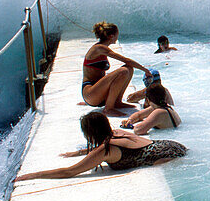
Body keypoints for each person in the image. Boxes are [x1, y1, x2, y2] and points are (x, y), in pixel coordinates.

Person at [15, 112, 186, 181]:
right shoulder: (119, 132)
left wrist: (33, 175)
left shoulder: (105, 150)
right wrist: (79, 152)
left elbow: (69, 172)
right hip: (171, 146)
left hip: (166, 157)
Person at [82, 22, 149, 116]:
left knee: (129, 69)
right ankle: (108, 108)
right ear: (112, 36)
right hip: (90, 94)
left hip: (98, 92)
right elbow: (126, 60)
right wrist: (146, 70)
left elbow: (128, 64)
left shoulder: (103, 48)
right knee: (123, 71)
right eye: (117, 34)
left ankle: (117, 102)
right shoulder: (99, 48)